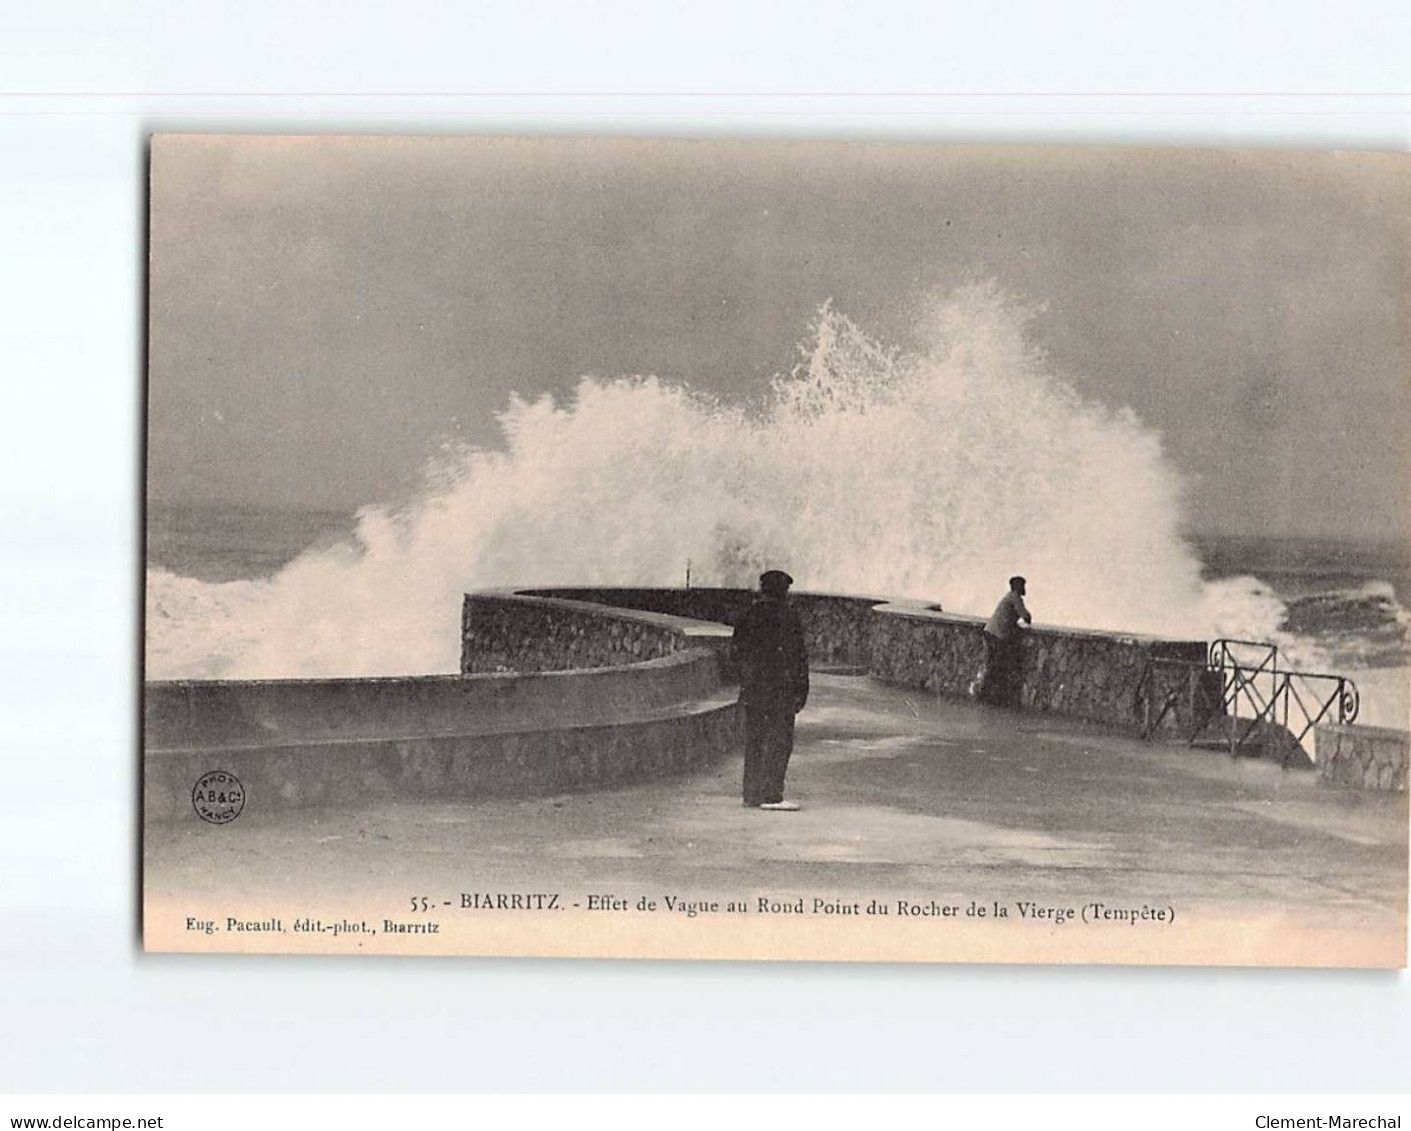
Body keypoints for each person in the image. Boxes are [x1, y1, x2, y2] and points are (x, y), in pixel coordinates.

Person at [732, 569, 809, 811]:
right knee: (780, 740)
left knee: (755, 739)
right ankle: (772, 794)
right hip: (780, 689)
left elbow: (736, 652)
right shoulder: (788, 616)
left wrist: (746, 679)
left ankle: (751, 793)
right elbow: (798, 657)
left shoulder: (748, 614)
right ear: (783, 591)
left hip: (754, 688)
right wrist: (801, 689)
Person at [980, 575, 1032, 707]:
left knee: (994, 666)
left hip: (991, 632)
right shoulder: (1015, 597)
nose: (1024, 588)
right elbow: (1026, 616)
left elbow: (1008, 618)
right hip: (996, 635)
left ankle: (987, 697)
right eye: (1023, 585)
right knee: (996, 667)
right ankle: (988, 698)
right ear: (1017, 587)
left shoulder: (1009, 597)